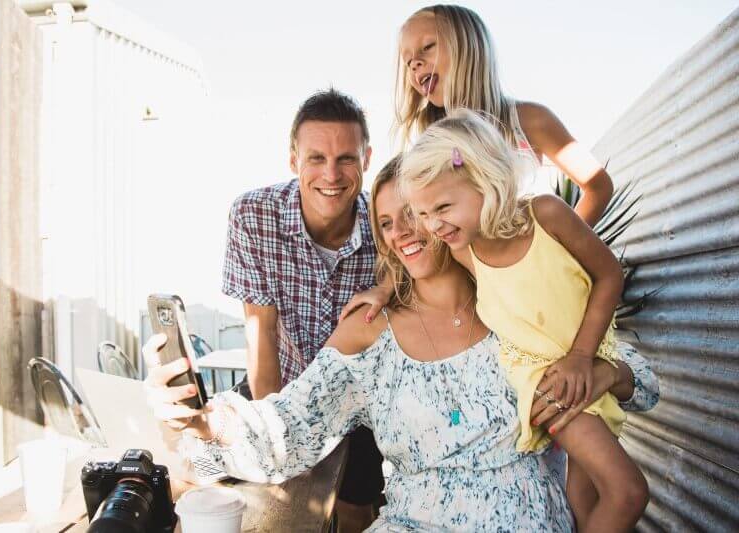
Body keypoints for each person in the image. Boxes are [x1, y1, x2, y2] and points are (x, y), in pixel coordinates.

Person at [143, 157, 659, 532]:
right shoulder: (370, 331)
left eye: (412, 213)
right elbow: (288, 428)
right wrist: (204, 420)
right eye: (386, 223)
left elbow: (638, 377)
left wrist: (603, 374)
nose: (402, 233)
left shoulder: (510, 307)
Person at [398, 110, 649, 532]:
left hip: (587, 362)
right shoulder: (463, 253)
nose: (433, 224)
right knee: (628, 492)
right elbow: (412, 271)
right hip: (545, 383)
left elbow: (609, 274)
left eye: (442, 206)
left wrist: (584, 356)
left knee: (584, 501)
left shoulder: (547, 215)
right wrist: (382, 291)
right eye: (423, 214)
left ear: (487, 181)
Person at [219, 88, 383, 530]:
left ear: (367, 159)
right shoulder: (253, 216)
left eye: (346, 158)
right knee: (250, 496)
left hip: (357, 401)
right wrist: (276, 439)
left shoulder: (386, 226)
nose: (331, 174)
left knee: (355, 506)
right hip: (281, 385)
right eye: (316, 158)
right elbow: (261, 334)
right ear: (293, 160)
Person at [396, 4, 613, 226]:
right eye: (408, 61)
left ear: (469, 47)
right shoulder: (430, 144)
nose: (415, 63)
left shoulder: (530, 120)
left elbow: (599, 186)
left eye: (428, 46)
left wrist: (562, 248)